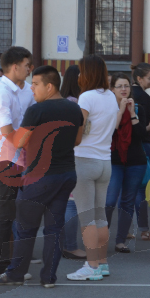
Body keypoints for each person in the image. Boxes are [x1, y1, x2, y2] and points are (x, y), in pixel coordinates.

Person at [0, 66, 83, 287]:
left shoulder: (37, 110)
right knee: (53, 228)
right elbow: (77, 141)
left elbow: (18, 141)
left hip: (40, 177)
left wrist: (5, 129)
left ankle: (15, 275)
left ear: (49, 86)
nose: (31, 88)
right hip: (67, 174)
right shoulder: (75, 109)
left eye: (36, 84)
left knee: (26, 229)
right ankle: (48, 278)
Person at [66, 55, 120, 281]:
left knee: (87, 217)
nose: (79, 75)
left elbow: (79, 129)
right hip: (104, 161)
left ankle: (91, 266)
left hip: (84, 160)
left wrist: (70, 141)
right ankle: (102, 263)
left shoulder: (86, 97)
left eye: (81, 71)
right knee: (100, 217)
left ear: (87, 73)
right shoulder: (110, 96)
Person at [0, 46, 35, 276]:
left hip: (20, 156)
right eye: (26, 66)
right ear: (14, 67)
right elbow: (6, 130)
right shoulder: (1, 91)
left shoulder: (26, 90)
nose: (29, 70)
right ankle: (0, 267)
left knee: (3, 213)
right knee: (5, 213)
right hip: (5, 156)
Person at [103, 73, 149, 253]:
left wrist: (130, 113)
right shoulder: (107, 108)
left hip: (136, 162)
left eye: (127, 86)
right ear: (112, 89)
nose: (124, 89)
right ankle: (101, 237)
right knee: (110, 200)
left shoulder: (138, 108)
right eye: (120, 86)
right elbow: (109, 134)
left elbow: (140, 136)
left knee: (128, 201)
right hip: (114, 160)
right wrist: (120, 112)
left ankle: (120, 240)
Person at [130, 62, 150, 242]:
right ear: (139, 78)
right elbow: (144, 127)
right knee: (142, 188)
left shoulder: (126, 94)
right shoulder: (144, 97)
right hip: (142, 145)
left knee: (125, 189)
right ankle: (144, 230)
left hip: (125, 147)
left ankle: (125, 230)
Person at [59, 64, 86, 259]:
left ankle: (60, 244)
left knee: (61, 202)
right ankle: (70, 245)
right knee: (70, 204)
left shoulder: (61, 101)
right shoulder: (77, 103)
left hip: (61, 155)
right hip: (75, 154)